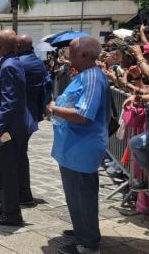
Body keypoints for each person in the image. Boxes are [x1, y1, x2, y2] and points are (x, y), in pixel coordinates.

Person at [47, 37, 108, 254]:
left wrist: (54, 109)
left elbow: (84, 115)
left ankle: (88, 242)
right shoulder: (85, 75)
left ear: (83, 55)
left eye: (71, 53)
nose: (67, 57)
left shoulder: (92, 77)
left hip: (82, 148)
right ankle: (82, 229)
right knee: (75, 194)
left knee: (82, 195)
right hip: (73, 147)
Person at [0, 29, 35, 226]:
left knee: (5, 170)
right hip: (14, 127)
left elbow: (9, 103)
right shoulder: (9, 64)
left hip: (10, 130)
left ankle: (12, 214)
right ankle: (6, 205)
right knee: (5, 169)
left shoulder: (9, 67)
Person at [15, 34, 48, 206]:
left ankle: (22, 194)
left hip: (20, 116)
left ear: (19, 45)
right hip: (30, 114)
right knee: (20, 155)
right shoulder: (36, 61)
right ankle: (22, 192)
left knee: (16, 156)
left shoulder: (19, 63)